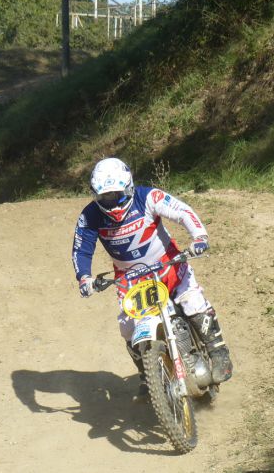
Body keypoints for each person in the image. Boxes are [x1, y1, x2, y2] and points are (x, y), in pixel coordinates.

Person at [72, 157, 233, 402]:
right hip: (130, 279)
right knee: (127, 327)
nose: (111, 202)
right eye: (105, 197)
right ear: (96, 195)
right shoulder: (90, 216)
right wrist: (84, 277)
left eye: (116, 195)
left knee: (193, 302)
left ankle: (218, 351)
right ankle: (147, 376)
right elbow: (81, 249)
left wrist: (199, 237)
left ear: (128, 188)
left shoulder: (147, 197)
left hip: (169, 265)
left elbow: (182, 211)